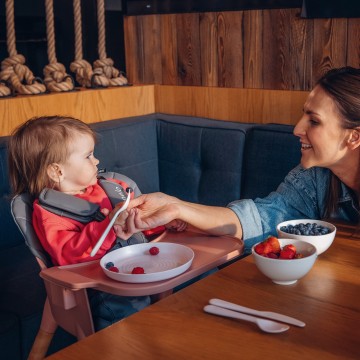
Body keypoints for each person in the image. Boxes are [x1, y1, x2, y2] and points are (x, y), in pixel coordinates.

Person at [121, 67, 360, 253]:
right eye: (303, 115)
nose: (297, 128)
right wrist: (175, 207)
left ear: (354, 136)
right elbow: (257, 220)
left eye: (314, 121)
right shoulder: (314, 178)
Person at [7, 115, 184, 330]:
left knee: (187, 288)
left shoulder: (109, 188)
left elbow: (137, 222)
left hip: (143, 268)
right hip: (104, 288)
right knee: (130, 320)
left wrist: (161, 224)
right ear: (57, 171)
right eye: (88, 156)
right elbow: (68, 255)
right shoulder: (49, 214)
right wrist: (107, 223)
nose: (97, 161)